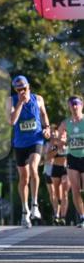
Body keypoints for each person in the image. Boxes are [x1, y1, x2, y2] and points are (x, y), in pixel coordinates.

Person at [6, 75, 50, 228]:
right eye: (18, 90)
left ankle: (35, 204)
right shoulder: (11, 101)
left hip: (36, 140)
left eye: (23, 89)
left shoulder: (38, 99)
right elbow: (11, 121)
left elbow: (44, 114)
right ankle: (25, 211)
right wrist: (19, 103)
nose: (21, 92)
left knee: (33, 168)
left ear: (28, 87)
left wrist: (47, 128)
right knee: (23, 179)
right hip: (20, 144)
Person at [57, 95, 84, 228]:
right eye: (71, 104)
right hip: (72, 157)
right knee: (75, 189)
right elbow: (59, 137)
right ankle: (82, 217)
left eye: (76, 104)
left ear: (81, 105)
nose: (74, 107)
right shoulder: (66, 123)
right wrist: (61, 142)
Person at [43, 128, 69, 225]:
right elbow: (47, 157)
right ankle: (56, 214)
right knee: (56, 195)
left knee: (65, 192)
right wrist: (57, 149)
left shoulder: (70, 143)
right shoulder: (53, 145)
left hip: (66, 169)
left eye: (63, 135)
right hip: (54, 169)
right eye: (60, 135)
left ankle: (63, 217)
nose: (61, 137)